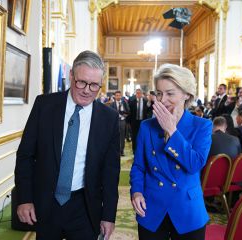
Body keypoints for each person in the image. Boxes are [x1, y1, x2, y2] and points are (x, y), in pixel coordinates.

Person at [14, 50, 120, 240]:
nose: (87, 90)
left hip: (85, 206)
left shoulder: (109, 118)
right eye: (81, 82)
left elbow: (111, 171)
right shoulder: (44, 105)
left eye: (94, 85)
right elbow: (25, 155)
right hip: (46, 203)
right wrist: (24, 199)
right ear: (71, 75)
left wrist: (108, 215)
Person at [130, 64, 212, 240]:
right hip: (152, 208)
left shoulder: (202, 126)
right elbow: (138, 166)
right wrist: (136, 191)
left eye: (170, 93)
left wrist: (172, 131)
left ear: (186, 94)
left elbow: (194, 164)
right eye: (159, 93)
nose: (162, 99)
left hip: (187, 209)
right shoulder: (146, 127)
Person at [128, 88, 149, 154]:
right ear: (135, 94)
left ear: (142, 94)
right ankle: (134, 150)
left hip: (143, 121)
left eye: (140, 93)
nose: (138, 95)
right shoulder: (132, 101)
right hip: (134, 122)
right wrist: (128, 122)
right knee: (134, 136)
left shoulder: (146, 101)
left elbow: (148, 111)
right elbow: (129, 112)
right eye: (137, 93)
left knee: (142, 135)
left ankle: (142, 150)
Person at [110, 90, 130, 156]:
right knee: (115, 136)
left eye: (119, 95)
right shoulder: (112, 104)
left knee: (122, 136)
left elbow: (128, 111)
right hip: (115, 122)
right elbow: (110, 113)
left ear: (121, 96)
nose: (118, 97)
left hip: (122, 121)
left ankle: (121, 151)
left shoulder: (124, 102)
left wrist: (124, 115)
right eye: (117, 95)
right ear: (115, 96)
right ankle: (115, 150)